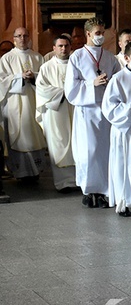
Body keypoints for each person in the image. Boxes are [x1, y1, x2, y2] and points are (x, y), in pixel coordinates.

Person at [64, 17, 121, 207]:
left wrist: (110, 82)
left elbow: (118, 79)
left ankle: (104, 190)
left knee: (105, 150)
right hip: (87, 110)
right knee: (89, 151)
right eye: (97, 33)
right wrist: (92, 84)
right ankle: (89, 190)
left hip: (105, 109)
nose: (100, 37)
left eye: (102, 33)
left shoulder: (109, 57)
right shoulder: (77, 57)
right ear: (88, 34)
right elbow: (71, 87)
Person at [102, 41, 131, 217]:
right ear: (126, 58)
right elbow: (109, 107)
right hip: (125, 129)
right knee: (123, 165)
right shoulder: (118, 78)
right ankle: (124, 201)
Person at [0, 27, 47, 181]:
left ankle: (35, 172)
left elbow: (45, 79)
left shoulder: (37, 57)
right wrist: (20, 77)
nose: (22, 38)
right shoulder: (6, 58)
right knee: (18, 136)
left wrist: (34, 77)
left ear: (29, 38)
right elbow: (2, 81)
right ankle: (20, 173)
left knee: (35, 135)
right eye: (19, 35)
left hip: (34, 101)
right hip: (15, 104)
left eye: (25, 35)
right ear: (14, 38)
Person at [35, 35, 76, 191]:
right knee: (59, 144)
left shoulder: (76, 64)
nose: (63, 49)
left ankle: (79, 180)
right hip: (56, 111)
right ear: (54, 48)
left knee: (75, 143)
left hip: (75, 109)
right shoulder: (46, 67)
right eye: (60, 46)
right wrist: (65, 92)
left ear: (70, 47)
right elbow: (42, 89)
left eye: (66, 45)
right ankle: (63, 183)